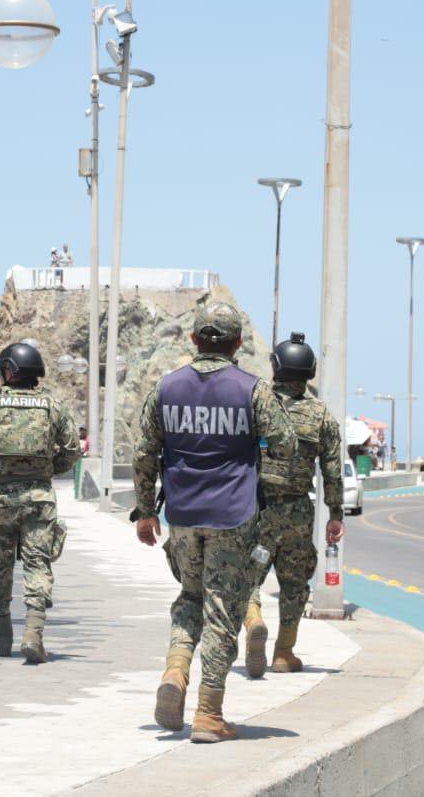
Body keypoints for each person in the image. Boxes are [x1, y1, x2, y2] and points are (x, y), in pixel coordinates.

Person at [132, 300, 295, 743]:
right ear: (238, 343)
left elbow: (144, 453)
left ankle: (175, 670)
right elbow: (286, 445)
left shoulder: (166, 389)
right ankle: (208, 713)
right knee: (223, 609)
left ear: (194, 339)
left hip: (181, 513)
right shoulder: (253, 389)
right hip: (233, 514)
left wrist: (146, 511)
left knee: (190, 595)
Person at [0, 342, 81, 663]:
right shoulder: (54, 406)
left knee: (0, 564)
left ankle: (1, 636)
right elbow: (73, 450)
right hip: (40, 498)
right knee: (39, 564)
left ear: (9, 371)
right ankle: (33, 632)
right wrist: (50, 470)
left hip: (0, 500)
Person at [243, 332, 344, 678]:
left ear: (275, 367)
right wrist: (336, 514)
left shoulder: (257, 406)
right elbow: (332, 470)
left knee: (247, 574)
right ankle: (284, 653)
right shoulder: (321, 416)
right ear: (310, 372)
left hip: (256, 507)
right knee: (294, 583)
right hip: (298, 513)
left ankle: (253, 619)